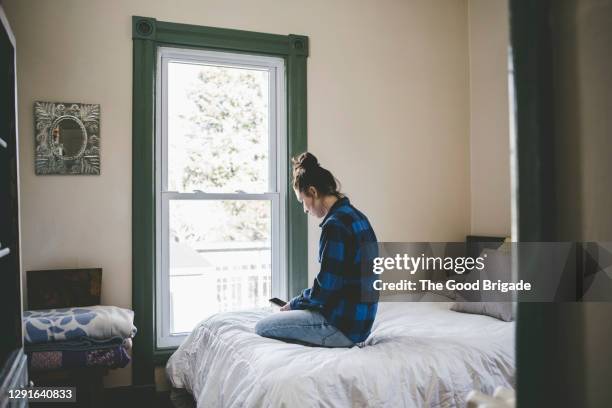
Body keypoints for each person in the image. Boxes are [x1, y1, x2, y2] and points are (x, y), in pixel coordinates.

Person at [255, 152, 379, 347]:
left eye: (302, 201)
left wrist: (293, 305)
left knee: (262, 327)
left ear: (312, 192)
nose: (304, 209)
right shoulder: (357, 216)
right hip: (361, 325)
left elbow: (326, 289)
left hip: (342, 328)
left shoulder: (335, 225)